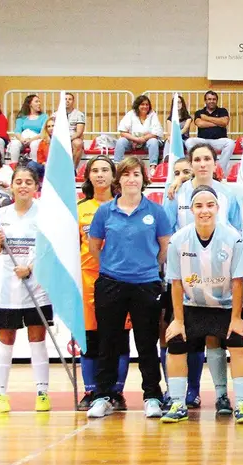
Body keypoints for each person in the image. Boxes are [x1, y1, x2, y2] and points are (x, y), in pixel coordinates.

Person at [86, 156, 171, 419]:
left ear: (143, 179)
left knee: (146, 343)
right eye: (126, 174)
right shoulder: (104, 212)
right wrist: (113, 268)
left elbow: (164, 248)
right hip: (110, 284)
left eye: (136, 174)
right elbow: (94, 247)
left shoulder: (156, 212)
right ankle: (102, 396)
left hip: (146, 284)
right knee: (108, 341)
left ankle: (152, 396)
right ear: (118, 180)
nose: (131, 179)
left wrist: (145, 269)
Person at [162, 185, 243, 424]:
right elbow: (176, 282)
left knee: (238, 341)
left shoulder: (233, 238)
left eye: (210, 205)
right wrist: (178, 320)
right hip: (193, 306)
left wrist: (236, 318)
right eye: (199, 206)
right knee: (175, 340)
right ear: (191, 209)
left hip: (225, 307)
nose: (205, 211)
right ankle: (178, 403)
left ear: (218, 208)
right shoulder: (178, 240)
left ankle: (241, 403)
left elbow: (237, 281)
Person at [0, 166, 52, 413]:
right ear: (11, 186)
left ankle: (42, 392)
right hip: (7, 288)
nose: (23, 186)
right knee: (6, 339)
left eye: (28, 182)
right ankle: (0, 394)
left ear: (36, 187)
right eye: (18, 182)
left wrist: (31, 268)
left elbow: (48, 250)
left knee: (38, 338)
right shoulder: (0, 214)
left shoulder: (44, 214)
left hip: (37, 287)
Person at [76, 155, 133, 411]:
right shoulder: (79, 209)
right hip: (88, 279)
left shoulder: (125, 206)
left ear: (114, 176)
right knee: (90, 338)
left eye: (105, 170)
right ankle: (91, 391)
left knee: (119, 337)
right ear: (88, 176)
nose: (100, 174)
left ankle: (115, 392)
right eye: (95, 170)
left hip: (120, 279)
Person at [186, 91, 235, 171]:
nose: (212, 101)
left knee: (230, 143)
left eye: (214, 99)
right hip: (203, 141)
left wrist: (206, 118)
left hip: (219, 141)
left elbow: (224, 122)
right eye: (209, 99)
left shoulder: (222, 111)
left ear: (216, 101)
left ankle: (219, 170)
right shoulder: (199, 112)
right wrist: (218, 122)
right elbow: (200, 124)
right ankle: (198, 164)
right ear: (205, 101)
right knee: (189, 141)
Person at [115, 95, 163, 166]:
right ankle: (116, 166)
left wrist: (143, 139)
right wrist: (136, 139)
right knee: (121, 141)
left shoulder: (152, 114)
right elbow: (122, 132)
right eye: (142, 104)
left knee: (153, 141)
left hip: (146, 143)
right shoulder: (131, 114)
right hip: (132, 142)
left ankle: (153, 166)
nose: (145, 106)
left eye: (147, 104)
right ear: (137, 105)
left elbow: (156, 133)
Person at [8, 94, 48, 162]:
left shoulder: (44, 116)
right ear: (30, 104)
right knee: (15, 144)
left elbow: (43, 132)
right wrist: (22, 140)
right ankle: (13, 166)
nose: (39, 103)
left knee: (34, 144)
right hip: (23, 138)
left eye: (39, 101)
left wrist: (31, 140)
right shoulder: (22, 117)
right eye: (36, 101)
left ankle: (34, 166)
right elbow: (17, 131)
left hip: (36, 138)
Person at [58, 92, 86, 168]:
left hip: (73, 137)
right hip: (59, 138)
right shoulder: (56, 114)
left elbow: (79, 132)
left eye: (70, 99)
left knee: (78, 143)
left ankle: (72, 169)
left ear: (73, 101)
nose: (67, 101)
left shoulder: (79, 114)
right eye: (65, 99)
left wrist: (68, 139)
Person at [163, 95, 191, 161]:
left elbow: (185, 129)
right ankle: (166, 159)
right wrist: (171, 137)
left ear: (182, 104)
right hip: (173, 139)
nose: (178, 104)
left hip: (184, 139)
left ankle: (181, 159)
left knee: (174, 140)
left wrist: (175, 136)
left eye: (179, 102)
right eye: (175, 103)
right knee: (169, 140)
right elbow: (170, 132)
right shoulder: (169, 119)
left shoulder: (188, 118)